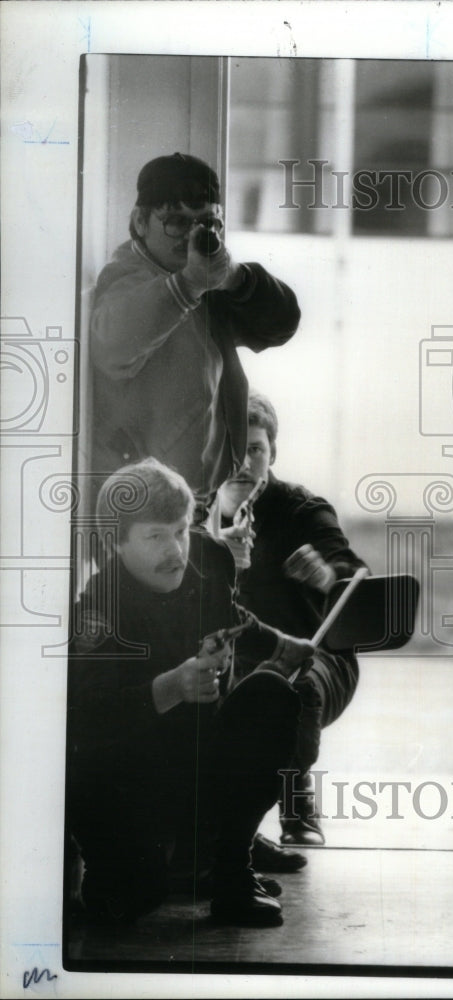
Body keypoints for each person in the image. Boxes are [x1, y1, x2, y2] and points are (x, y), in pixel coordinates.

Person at [67, 458, 315, 927]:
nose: (176, 550)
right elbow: (83, 722)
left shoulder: (207, 559)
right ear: (117, 543)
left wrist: (285, 645)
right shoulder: (98, 608)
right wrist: (172, 686)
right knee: (127, 902)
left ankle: (230, 872)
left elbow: (233, 614)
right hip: (130, 780)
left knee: (270, 693)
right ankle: (173, 863)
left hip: (199, 755)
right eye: (155, 536)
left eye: (180, 531)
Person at [89, 152, 301, 511]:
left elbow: (283, 323)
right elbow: (113, 347)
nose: (191, 236)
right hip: (142, 505)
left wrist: (236, 277)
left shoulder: (203, 281)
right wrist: (188, 284)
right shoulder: (127, 278)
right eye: (175, 221)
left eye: (205, 223)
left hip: (189, 501)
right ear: (140, 221)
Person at [214, 393, 367, 864]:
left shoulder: (303, 508)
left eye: (256, 450)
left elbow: (352, 570)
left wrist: (324, 574)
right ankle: (221, 833)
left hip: (319, 661)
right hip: (237, 657)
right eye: (236, 452)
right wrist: (216, 546)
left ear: (273, 453)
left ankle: (294, 793)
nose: (245, 464)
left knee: (290, 683)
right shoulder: (197, 514)